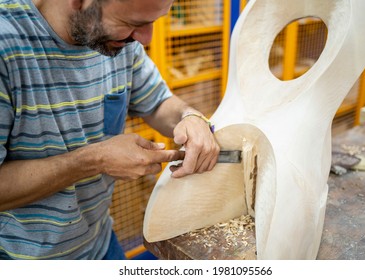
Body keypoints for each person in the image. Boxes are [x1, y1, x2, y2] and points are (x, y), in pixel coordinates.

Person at [0, 0, 220, 259]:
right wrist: (96, 160)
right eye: (132, 23)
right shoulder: (7, 45)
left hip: (99, 240)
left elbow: (157, 102)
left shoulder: (120, 41)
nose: (146, 39)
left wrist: (190, 116)